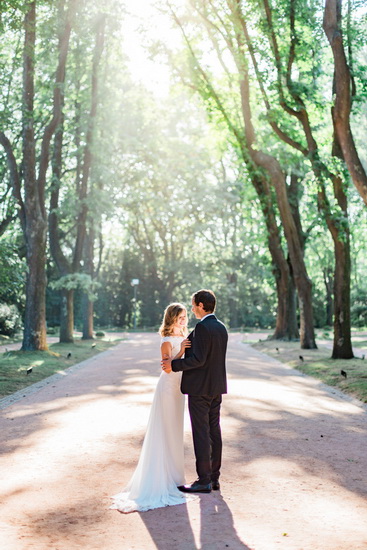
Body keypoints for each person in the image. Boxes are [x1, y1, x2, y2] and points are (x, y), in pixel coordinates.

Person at [110, 303, 195, 513]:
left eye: (185, 316)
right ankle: (161, 478)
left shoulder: (185, 337)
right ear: (171, 318)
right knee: (165, 430)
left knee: (175, 431)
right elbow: (167, 368)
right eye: (179, 317)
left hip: (179, 389)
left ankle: (176, 477)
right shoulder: (166, 341)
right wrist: (181, 351)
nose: (183, 320)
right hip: (167, 388)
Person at [161, 289, 228, 494]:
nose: (191, 308)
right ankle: (214, 478)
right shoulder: (221, 328)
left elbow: (198, 360)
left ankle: (204, 480)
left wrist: (176, 365)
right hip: (216, 388)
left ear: (201, 305)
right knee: (214, 431)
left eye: (193, 305)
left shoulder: (202, 328)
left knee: (201, 433)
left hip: (199, 389)